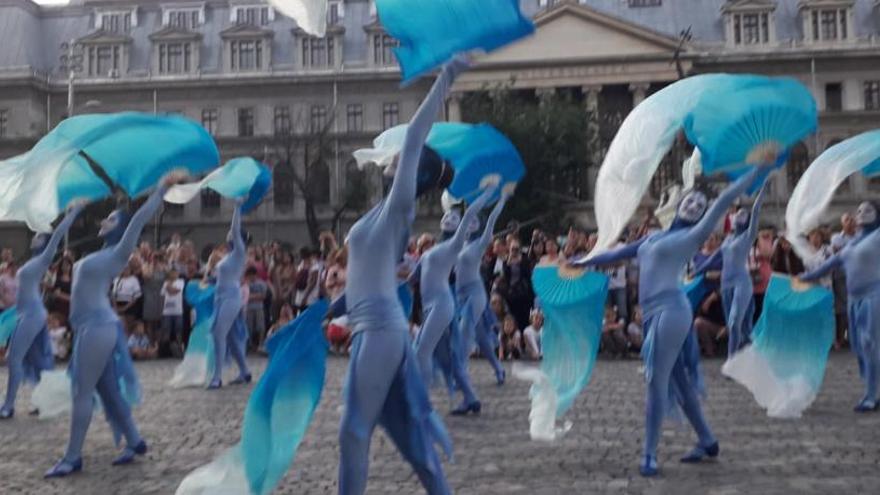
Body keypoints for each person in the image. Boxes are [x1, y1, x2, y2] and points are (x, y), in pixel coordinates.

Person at [577, 164, 769, 476]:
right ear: (679, 203)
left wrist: (754, 172)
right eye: (691, 200)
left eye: (700, 205)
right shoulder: (651, 239)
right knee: (678, 382)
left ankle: (649, 453)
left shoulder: (694, 235)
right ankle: (707, 440)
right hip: (653, 315)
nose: (695, 204)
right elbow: (614, 255)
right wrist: (582, 261)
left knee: (656, 380)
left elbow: (724, 200)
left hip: (671, 310)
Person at [337, 57, 467, 495]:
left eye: (403, 159)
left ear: (415, 173)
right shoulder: (380, 216)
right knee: (411, 440)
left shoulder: (399, 208)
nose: (393, 157)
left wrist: (445, 78)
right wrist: (334, 309)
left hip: (380, 332)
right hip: (371, 329)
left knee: (353, 431)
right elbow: (365, 278)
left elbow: (414, 136)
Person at [45, 172, 186, 477]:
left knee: (81, 392)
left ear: (120, 228)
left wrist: (161, 189)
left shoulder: (118, 253)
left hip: (98, 327)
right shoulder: (98, 254)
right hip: (90, 327)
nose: (103, 222)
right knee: (107, 390)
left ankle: (72, 457)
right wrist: (74, 213)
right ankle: (134, 441)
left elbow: (138, 220)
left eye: (110, 219)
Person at [0, 203, 83, 419]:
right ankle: (42, 401)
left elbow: (58, 233)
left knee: (13, 358)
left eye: (38, 236)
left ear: (44, 242)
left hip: (32, 314)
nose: (34, 237)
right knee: (37, 361)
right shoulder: (31, 261)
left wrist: (74, 211)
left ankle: (8, 405)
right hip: (27, 313)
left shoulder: (44, 258)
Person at [798, 201, 880, 412]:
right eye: (859, 209)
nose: (860, 213)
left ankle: (871, 395)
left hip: (873, 296)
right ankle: (871, 387)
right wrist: (802, 278)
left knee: (869, 343)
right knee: (858, 346)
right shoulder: (850, 244)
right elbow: (829, 264)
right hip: (853, 300)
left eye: (867, 210)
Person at [414, 188, 493, 405]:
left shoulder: (453, 247)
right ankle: (470, 396)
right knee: (444, 354)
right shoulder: (429, 253)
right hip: (432, 307)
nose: (448, 216)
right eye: (447, 215)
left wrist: (487, 194)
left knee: (421, 351)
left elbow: (469, 216)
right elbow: (412, 277)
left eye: (453, 217)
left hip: (442, 306)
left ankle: (419, 402)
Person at [695, 183, 767, 359]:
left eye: (743, 214)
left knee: (735, 322)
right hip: (725, 285)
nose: (739, 215)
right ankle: (750, 352)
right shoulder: (727, 239)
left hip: (741, 282)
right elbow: (714, 258)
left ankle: (731, 360)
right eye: (738, 214)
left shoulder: (747, 237)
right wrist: (697, 271)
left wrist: (762, 189)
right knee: (735, 325)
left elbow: (756, 210)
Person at [455, 193, 510, 387]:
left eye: (474, 221)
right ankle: (498, 368)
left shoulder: (480, 243)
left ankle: (459, 374)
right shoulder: (458, 243)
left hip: (475, 293)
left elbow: (492, 218)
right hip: (460, 296)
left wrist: (502, 199)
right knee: (479, 337)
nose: (470, 223)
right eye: (468, 221)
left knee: (464, 330)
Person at [207, 199, 251, 389]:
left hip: (231, 297)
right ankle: (244, 371)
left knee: (219, 334)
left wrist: (237, 207)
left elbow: (234, 228)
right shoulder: (228, 256)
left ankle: (217, 377)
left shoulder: (239, 253)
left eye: (231, 235)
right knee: (231, 338)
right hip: (220, 297)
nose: (228, 235)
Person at [160, 268, 185, 357]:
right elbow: (163, 295)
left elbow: (175, 291)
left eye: (175, 273)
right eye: (172, 273)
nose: (174, 275)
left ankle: (179, 349)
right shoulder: (165, 283)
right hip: (167, 311)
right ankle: (165, 352)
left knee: (178, 330)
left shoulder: (180, 282)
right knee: (166, 331)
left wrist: (169, 286)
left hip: (178, 311)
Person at [244, 266, 268, 351]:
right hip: (248, 308)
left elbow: (263, 296)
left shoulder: (261, 283)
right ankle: (249, 344)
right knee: (248, 326)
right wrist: (255, 296)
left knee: (260, 326)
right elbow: (244, 295)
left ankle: (261, 344)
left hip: (258, 307)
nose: (250, 277)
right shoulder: (246, 284)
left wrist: (250, 296)